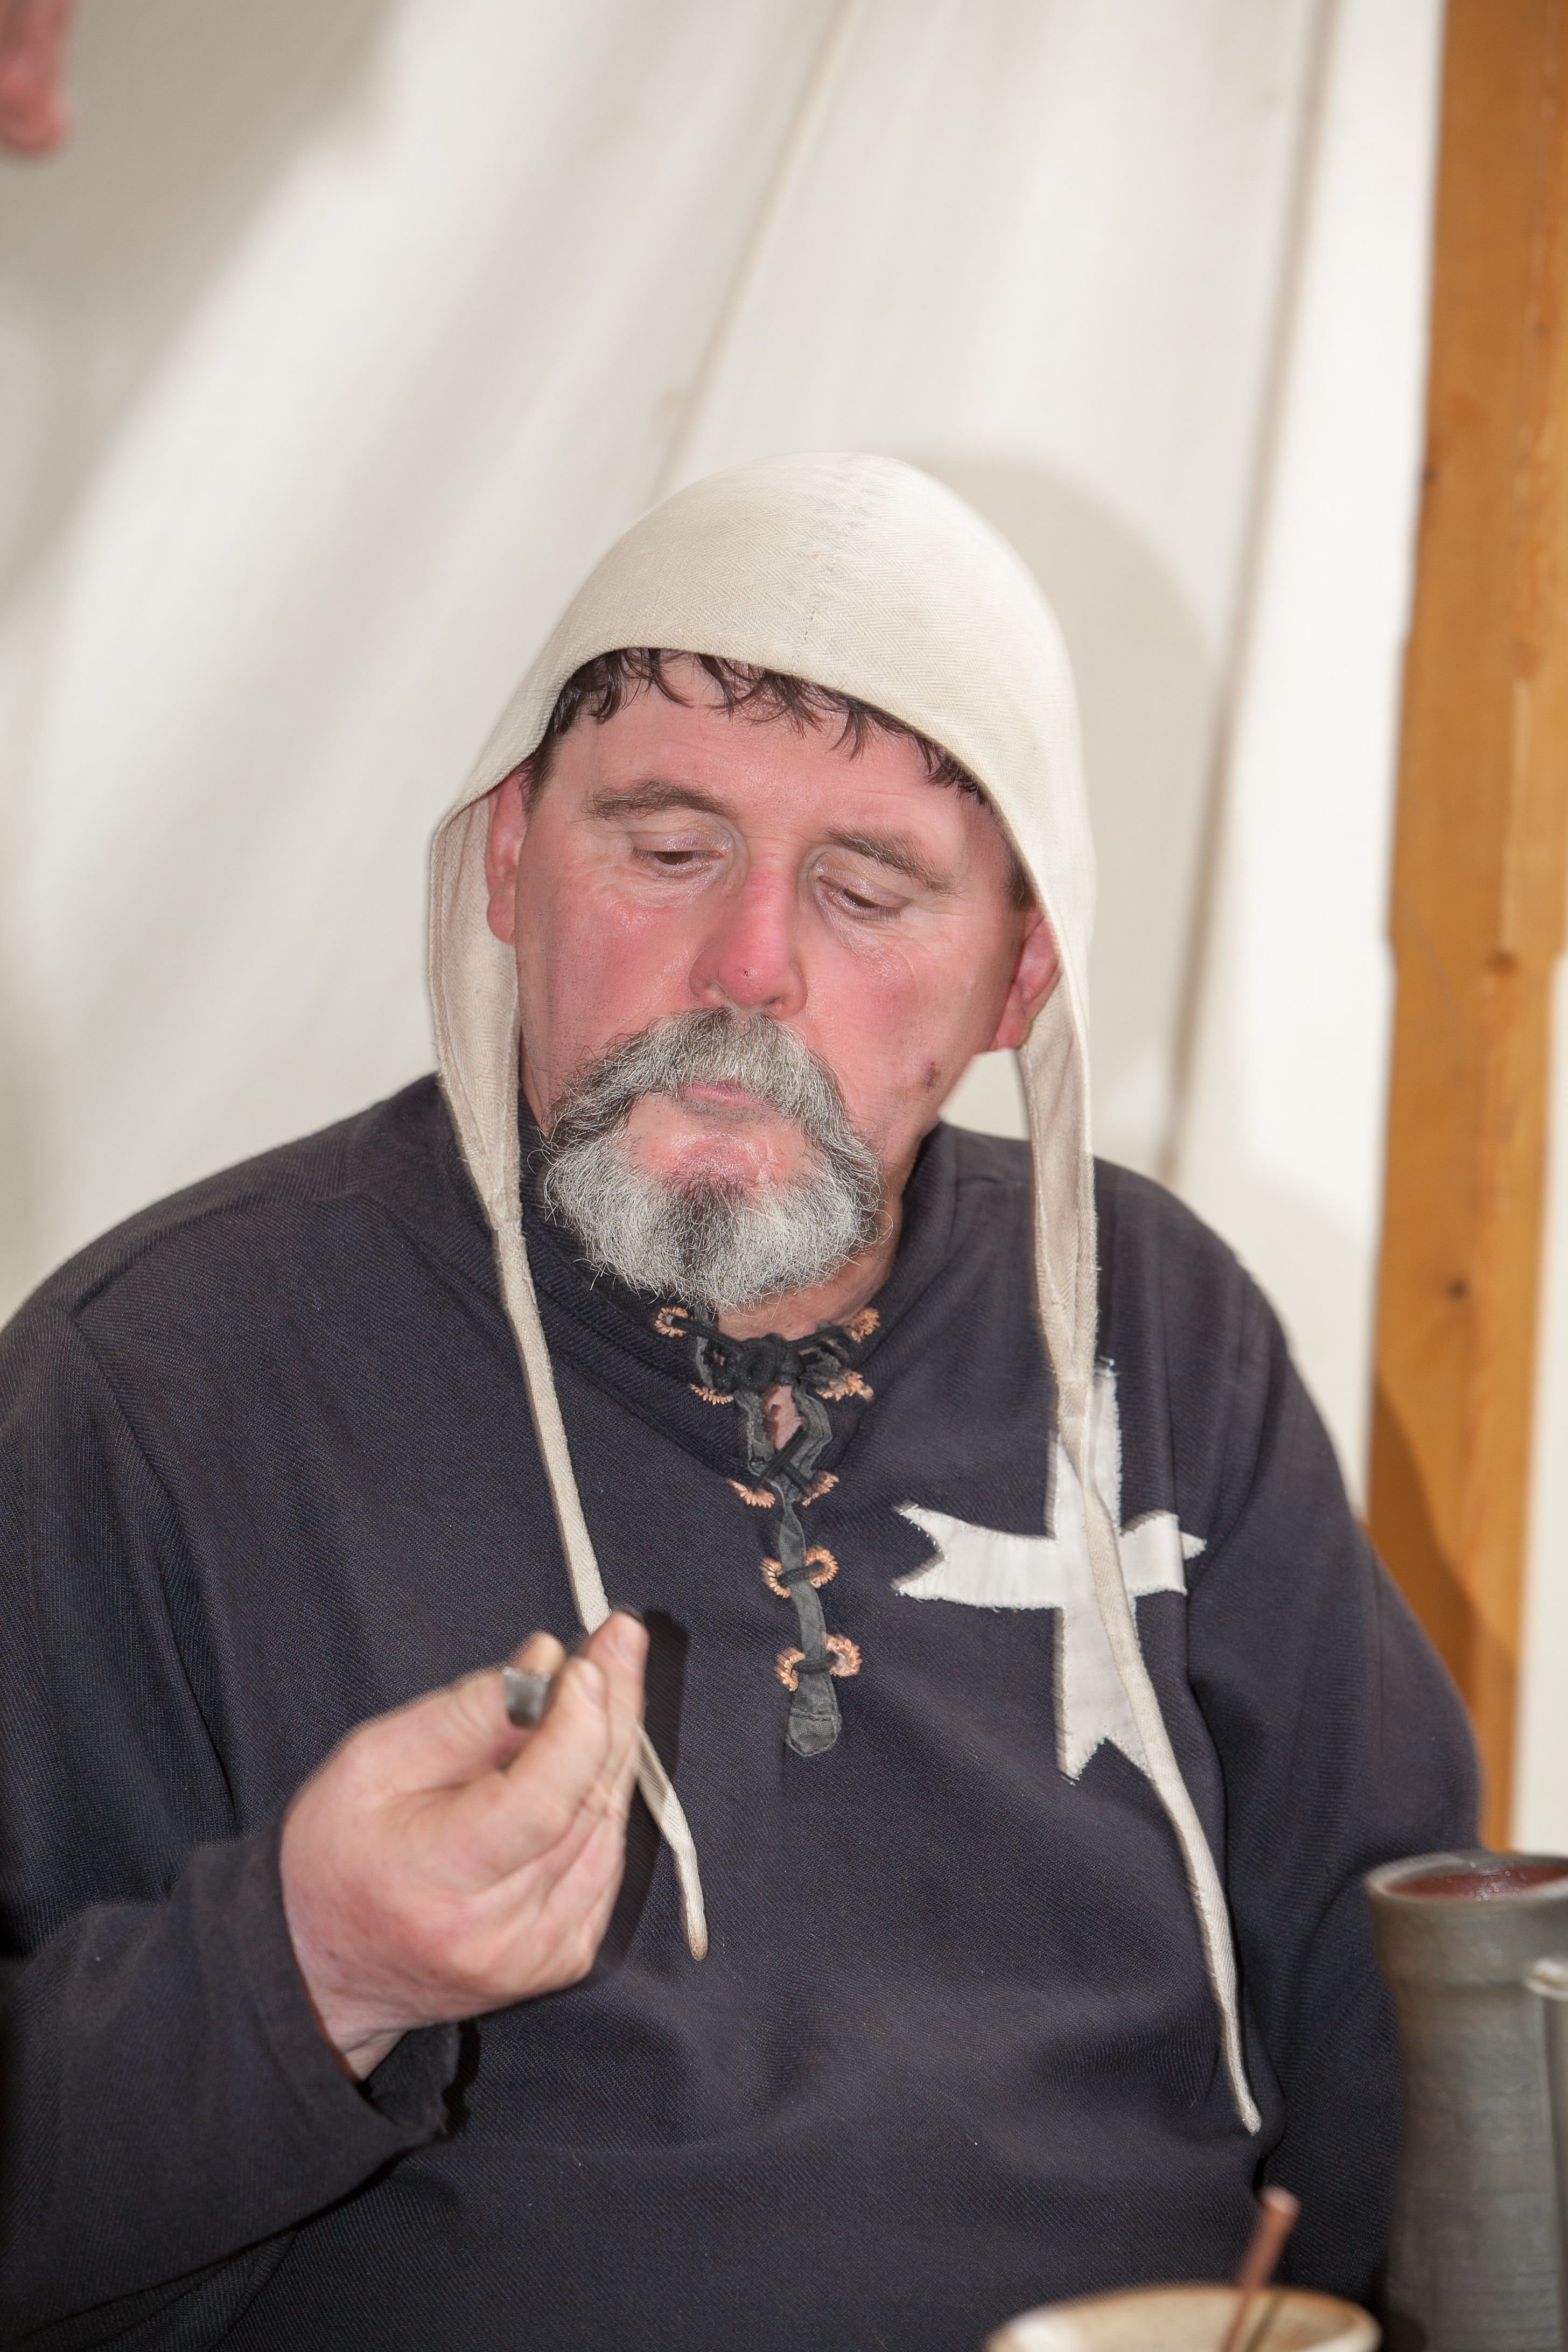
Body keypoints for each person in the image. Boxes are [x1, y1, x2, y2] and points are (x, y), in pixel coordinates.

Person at [0, 453, 1475, 2351]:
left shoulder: (1156, 1328)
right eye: (668, 847)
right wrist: (314, 1970)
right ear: (510, 859)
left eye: (869, 889)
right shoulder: (158, 1390)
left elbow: (1411, 2013)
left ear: (1019, 974)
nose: (750, 969)